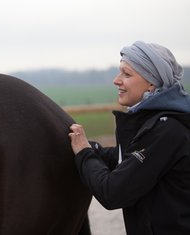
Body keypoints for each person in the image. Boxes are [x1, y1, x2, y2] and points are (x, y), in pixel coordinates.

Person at [69, 41, 190, 235]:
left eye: (127, 74)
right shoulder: (155, 122)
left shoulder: (166, 130)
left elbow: (113, 192)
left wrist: (84, 153)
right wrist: (94, 149)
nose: (116, 80)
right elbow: (128, 159)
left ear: (152, 83)